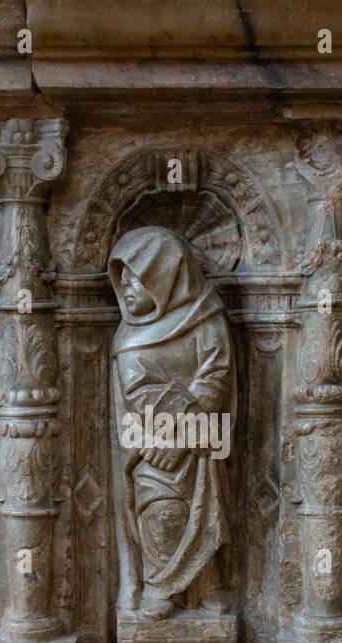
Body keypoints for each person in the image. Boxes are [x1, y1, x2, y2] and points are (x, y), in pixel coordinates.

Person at [109, 227, 235, 621]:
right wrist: (166, 436)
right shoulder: (127, 336)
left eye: (137, 276)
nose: (127, 286)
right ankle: (160, 584)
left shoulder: (206, 319)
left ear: (165, 274)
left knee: (204, 509)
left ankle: (206, 583)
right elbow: (136, 393)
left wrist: (184, 439)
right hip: (147, 443)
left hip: (198, 445)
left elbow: (216, 379)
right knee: (160, 511)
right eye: (123, 278)